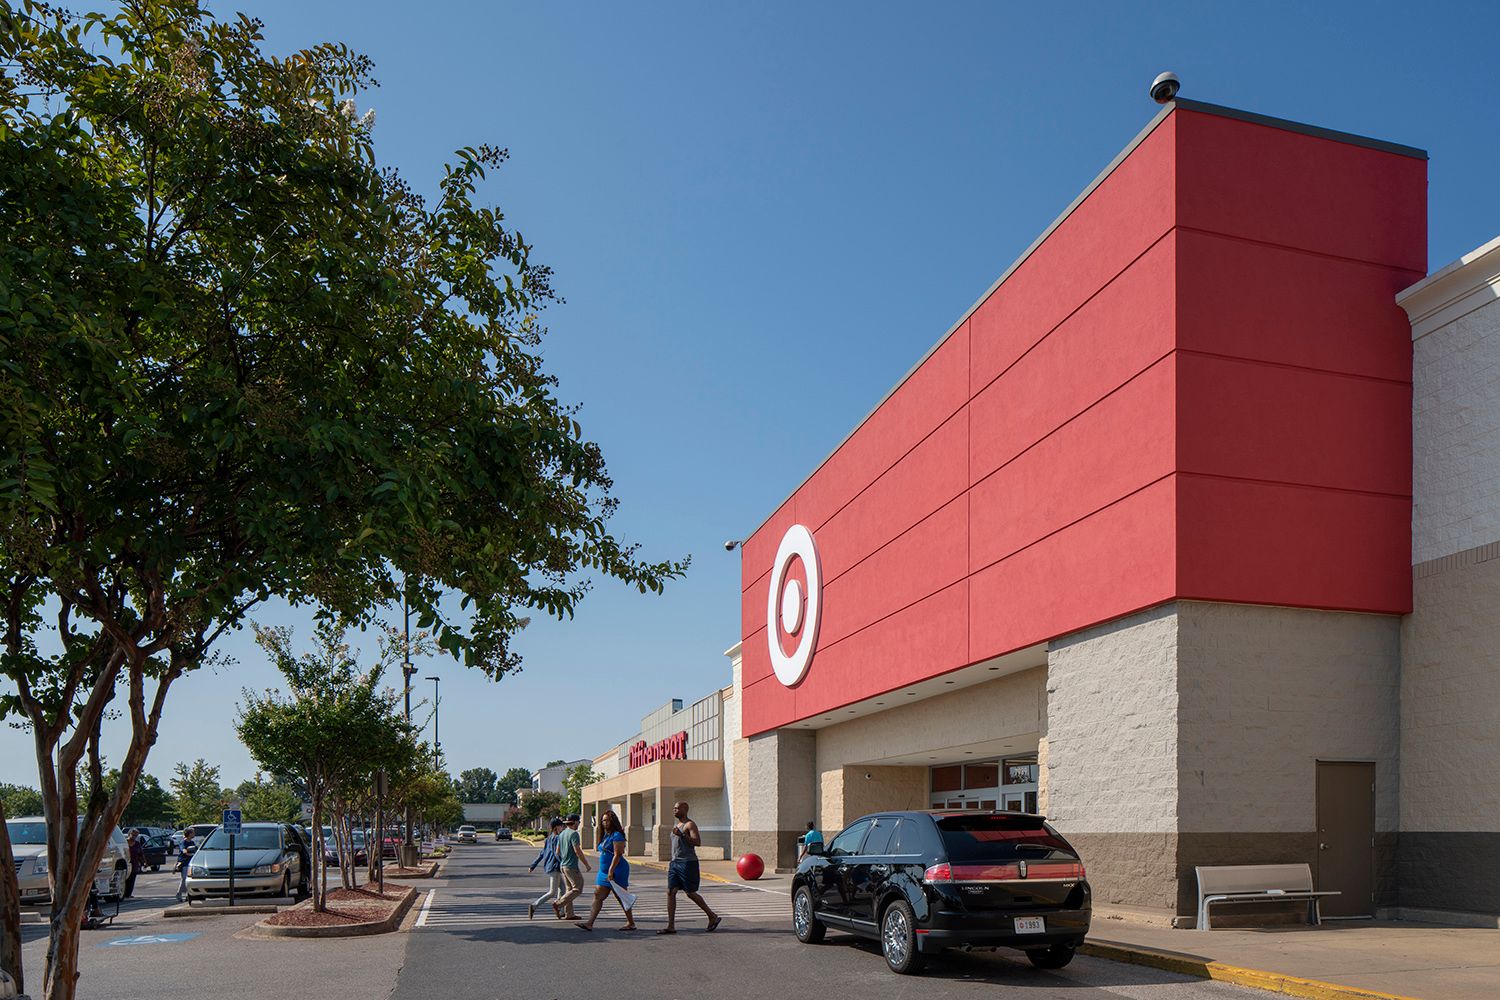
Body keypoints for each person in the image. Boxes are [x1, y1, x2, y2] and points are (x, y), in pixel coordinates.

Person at [657, 800, 721, 934]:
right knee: (670, 892)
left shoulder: (690, 824)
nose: (674, 810)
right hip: (674, 863)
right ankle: (671, 926)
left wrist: (682, 835)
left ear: (685, 809)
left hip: (687, 863)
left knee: (690, 893)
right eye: (673, 808)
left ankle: (712, 916)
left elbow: (697, 842)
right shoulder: (677, 825)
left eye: (677, 808)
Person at [574, 808, 635, 931]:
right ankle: (589, 923)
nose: (604, 823)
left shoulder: (617, 835)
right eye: (603, 821)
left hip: (617, 870)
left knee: (621, 897)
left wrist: (611, 871)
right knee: (598, 895)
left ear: (613, 821)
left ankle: (631, 922)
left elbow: (618, 854)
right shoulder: (606, 836)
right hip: (603, 872)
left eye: (607, 820)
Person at [553, 813, 591, 920]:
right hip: (571, 866)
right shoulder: (574, 834)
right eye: (578, 821)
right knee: (578, 888)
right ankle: (558, 903)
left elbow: (558, 851)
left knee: (569, 889)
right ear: (574, 822)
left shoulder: (562, 834)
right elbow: (577, 850)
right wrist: (587, 864)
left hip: (563, 865)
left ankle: (569, 914)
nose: (579, 823)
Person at [526, 818, 565, 920]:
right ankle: (534, 906)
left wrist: (533, 865)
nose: (563, 827)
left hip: (550, 866)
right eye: (561, 826)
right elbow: (557, 854)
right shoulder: (557, 838)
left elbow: (542, 853)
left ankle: (561, 910)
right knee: (552, 892)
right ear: (556, 827)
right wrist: (563, 864)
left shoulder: (549, 839)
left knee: (563, 888)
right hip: (555, 867)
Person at [175, 827, 198, 902]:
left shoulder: (192, 842)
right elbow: (184, 851)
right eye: (192, 833)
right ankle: (179, 894)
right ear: (189, 834)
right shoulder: (183, 842)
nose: (194, 834)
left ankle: (188, 895)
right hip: (184, 863)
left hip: (191, 864)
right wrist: (188, 853)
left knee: (190, 880)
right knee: (184, 879)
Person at [125, 830, 145, 899]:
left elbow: (141, 854)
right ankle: (123, 893)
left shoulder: (137, 844)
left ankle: (128, 894)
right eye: (133, 835)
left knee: (131, 880)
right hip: (126, 864)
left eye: (136, 835)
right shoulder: (125, 843)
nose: (134, 837)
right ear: (129, 834)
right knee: (125, 879)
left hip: (134, 864)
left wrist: (144, 862)